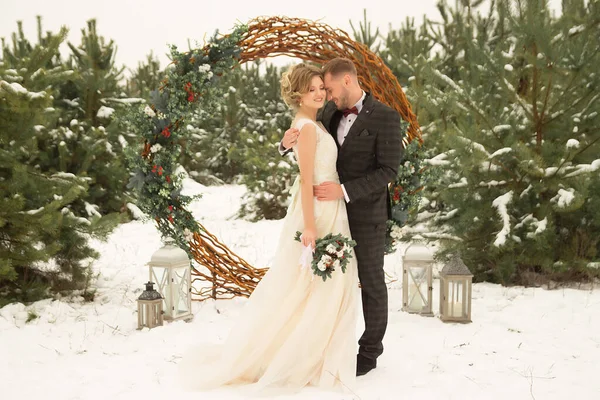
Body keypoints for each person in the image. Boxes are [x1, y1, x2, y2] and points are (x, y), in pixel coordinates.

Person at [178, 63, 359, 395]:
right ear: (298, 96)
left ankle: (318, 353)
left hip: (332, 206)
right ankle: (298, 356)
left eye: (321, 87)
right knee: (312, 286)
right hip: (318, 211)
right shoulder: (306, 128)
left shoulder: (314, 124)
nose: (320, 93)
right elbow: (307, 179)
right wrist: (309, 227)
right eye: (312, 90)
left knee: (325, 287)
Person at [280, 57, 404, 376]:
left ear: (347, 81)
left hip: (366, 213)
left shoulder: (386, 118)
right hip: (329, 214)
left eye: (330, 88)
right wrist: (284, 144)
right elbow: (307, 135)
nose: (328, 96)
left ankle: (370, 351)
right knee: (330, 281)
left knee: (371, 280)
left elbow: (388, 170)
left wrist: (344, 190)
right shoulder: (331, 113)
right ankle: (327, 345)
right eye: (323, 90)